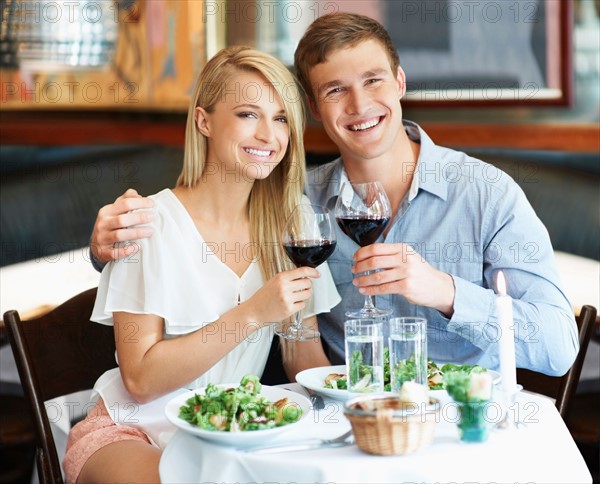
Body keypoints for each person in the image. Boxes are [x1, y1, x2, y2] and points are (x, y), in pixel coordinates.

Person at [90, 13, 578, 378]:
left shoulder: (485, 194)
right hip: (344, 435)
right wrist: (106, 248)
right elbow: (194, 232)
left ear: (400, 82)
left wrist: (445, 292)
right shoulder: (292, 202)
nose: (360, 104)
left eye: (373, 81)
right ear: (315, 110)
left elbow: (558, 348)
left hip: (461, 430)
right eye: (335, 91)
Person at [65, 46, 340, 483]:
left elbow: (301, 355)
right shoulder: (145, 224)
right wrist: (252, 314)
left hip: (237, 429)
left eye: (282, 117)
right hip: (132, 429)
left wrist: (354, 405)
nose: (270, 136)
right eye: (249, 114)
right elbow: (139, 380)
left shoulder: (295, 222)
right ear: (204, 121)